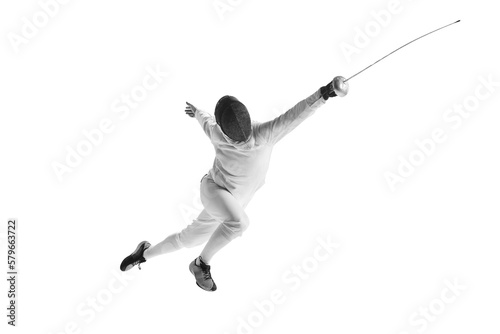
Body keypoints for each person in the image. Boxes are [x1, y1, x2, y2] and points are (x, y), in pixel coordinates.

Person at [120, 77, 349, 291]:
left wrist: (325, 93)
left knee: (187, 239)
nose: (241, 137)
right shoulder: (217, 133)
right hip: (214, 190)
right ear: (224, 130)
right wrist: (197, 112)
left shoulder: (266, 133)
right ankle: (200, 264)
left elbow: (296, 114)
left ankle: (143, 253)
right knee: (239, 223)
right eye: (233, 134)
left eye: (244, 131)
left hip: (230, 203)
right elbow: (206, 119)